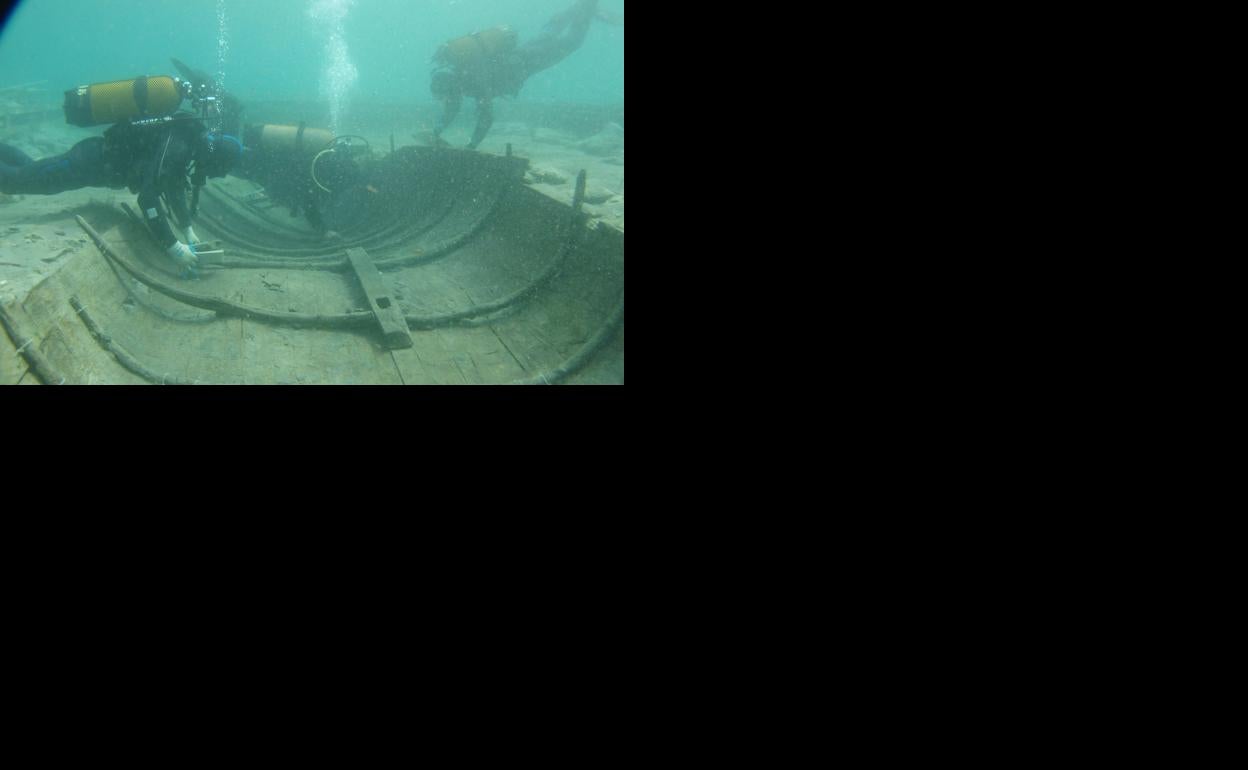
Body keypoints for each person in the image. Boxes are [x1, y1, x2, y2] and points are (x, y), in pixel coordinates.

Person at [1, 115, 241, 277]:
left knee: (30, 172)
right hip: (88, 162)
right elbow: (147, 199)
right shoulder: (178, 149)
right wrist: (173, 247)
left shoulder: (185, 144)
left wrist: (187, 229)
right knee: (16, 182)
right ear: (214, 159)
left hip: (94, 163)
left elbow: (174, 186)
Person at [430, 0, 610, 150]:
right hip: (521, 55)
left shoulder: (476, 79)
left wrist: (471, 146)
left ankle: (586, 9)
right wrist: (436, 132)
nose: (448, 98)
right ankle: (576, 10)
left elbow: (487, 117)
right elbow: (453, 108)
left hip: (527, 62)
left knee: (571, 43)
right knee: (547, 34)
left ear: (450, 85)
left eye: (445, 95)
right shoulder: (461, 75)